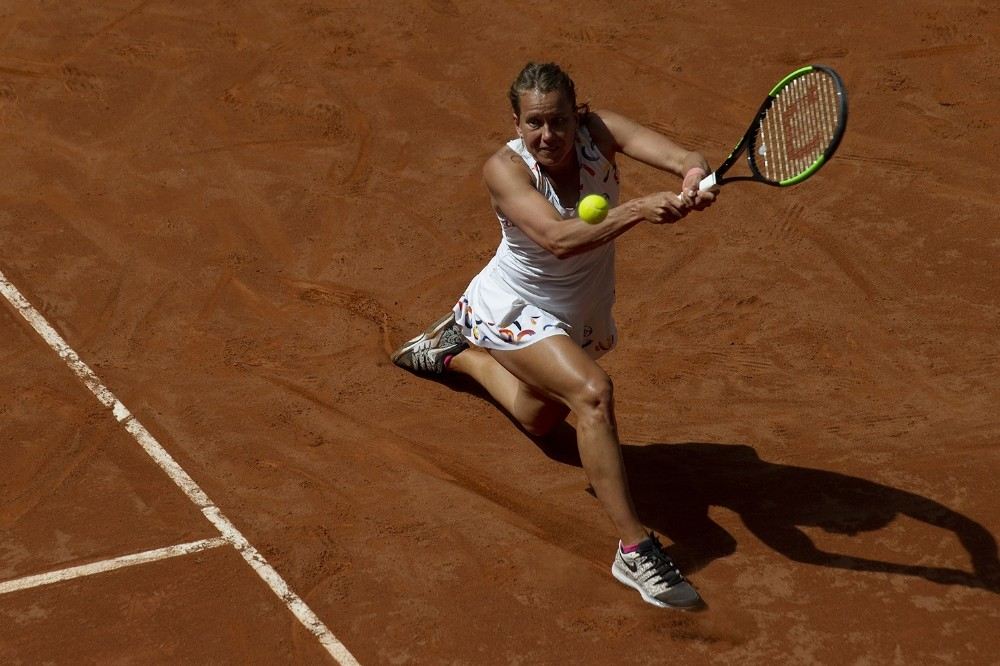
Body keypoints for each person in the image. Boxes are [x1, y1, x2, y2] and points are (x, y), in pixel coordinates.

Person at [392, 62, 716, 609]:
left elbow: (686, 158)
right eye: (535, 123)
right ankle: (634, 549)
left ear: (579, 113)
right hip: (514, 306)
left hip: (580, 312)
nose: (549, 136)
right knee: (591, 394)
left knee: (539, 417)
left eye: (560, 121)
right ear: (516, 124)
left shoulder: (602, 132)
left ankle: (459, 356)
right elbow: (558, 239)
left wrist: (693, 179)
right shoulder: (503, 170)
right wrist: (638, 207)